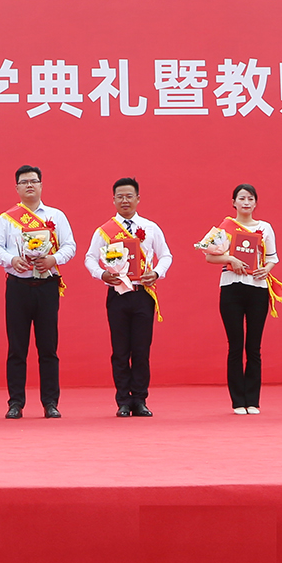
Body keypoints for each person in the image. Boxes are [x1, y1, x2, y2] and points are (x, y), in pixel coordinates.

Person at [0, 165, 75, 419]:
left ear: (41, 185)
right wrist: (11, 260)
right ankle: (15, 402)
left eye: (34, 181)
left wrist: (53, 259)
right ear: (16, 187)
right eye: (24, 182)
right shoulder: (7, 218)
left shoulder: (56, 216)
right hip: (18, 286)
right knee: (17, 348)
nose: (29, 185)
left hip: (47, 286)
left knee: (48, 347)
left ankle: (50, 402)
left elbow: (70, 245)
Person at [82, 177, 172, 417]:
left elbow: (166, 255)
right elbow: (89, 258)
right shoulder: (104, 230)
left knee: (141, 350)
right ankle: (123, 400)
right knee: (120, 350)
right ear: (113, 200)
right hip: (118, 294)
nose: (125, 200)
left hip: (143, 294)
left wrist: (156, 273)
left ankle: (140, 399)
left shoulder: (150, 228)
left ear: (138, 199)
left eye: (129, 196)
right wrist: (101, 274)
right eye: (120, 196)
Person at [198, 183, 278, 414]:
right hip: (231, 288)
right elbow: (209, 257)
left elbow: (272, 258)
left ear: (255, 202)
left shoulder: (265, 228)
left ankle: (252, 400)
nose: (246, 202)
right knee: (235, 346)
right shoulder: (225, 228)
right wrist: (230, 259)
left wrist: (266, 270)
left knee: (253, 346)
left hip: (258, 288)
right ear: (233, 202)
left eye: (250, 198)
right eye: (241, 198)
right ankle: (237, 401)